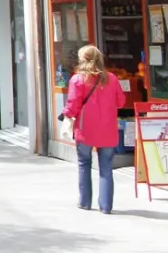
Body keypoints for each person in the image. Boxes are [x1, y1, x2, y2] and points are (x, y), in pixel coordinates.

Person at [62, 45, 126, 213]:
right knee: (106, 168)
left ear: (81, 59)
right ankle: (106, 206)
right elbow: (121, 102)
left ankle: (84, 202)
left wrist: (66, 115)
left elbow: (72, 105)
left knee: (84, 164)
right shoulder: (112, 78)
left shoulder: (77, 80)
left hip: (85, 130)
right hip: (108, 130)